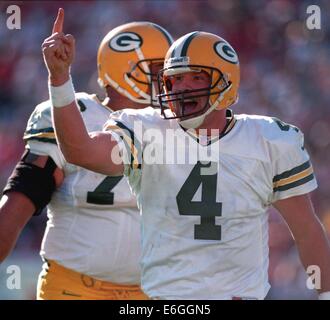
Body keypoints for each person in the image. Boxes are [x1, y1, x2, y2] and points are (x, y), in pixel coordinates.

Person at [43, 8, 330, 299]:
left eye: (194, 78)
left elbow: (305, 229)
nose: (181, 87)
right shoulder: (146, 129)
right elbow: (81, 151)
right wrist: (60, 81)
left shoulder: (268, 140)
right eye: (174, 79)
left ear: (226, 82)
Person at [0, 18, 173, 300]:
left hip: (152, 292)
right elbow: (23, 195)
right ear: (126, 71)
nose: (169, 81)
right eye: (158, 70)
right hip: (74, 289)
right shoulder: (77, 114)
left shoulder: (173, 127)